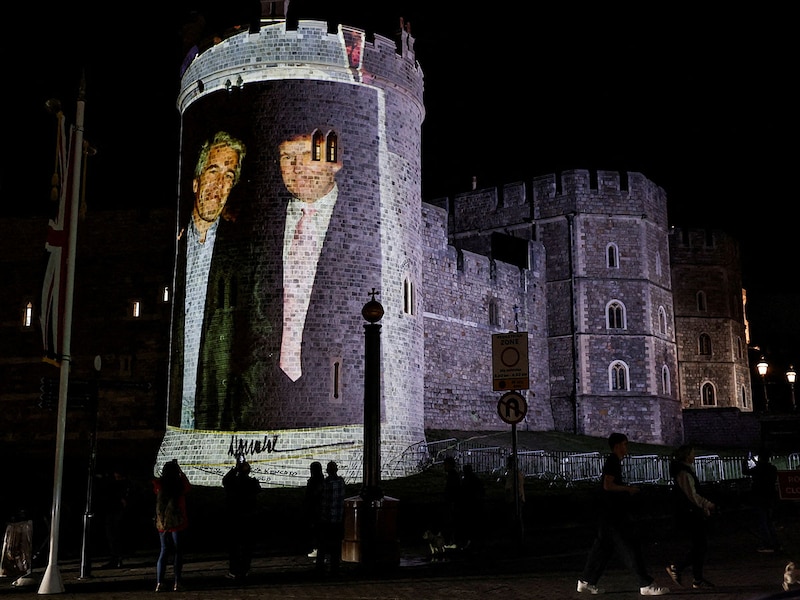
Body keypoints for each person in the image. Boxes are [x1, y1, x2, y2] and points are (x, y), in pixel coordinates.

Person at [168, 130, 252, 431]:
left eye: (229, 175)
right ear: (195, 181)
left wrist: (239, 413)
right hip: (173, 409)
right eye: (213, 171)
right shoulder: (173, 251)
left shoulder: (242, 256)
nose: (219, 184)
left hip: (217, 414)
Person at [277, 131, 342, 383]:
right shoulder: (258, 224)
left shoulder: (369, 223)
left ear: (335, 160)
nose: (297, 167)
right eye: (287, 157)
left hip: (330, 380)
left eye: (308, 154)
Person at [578, 432, 670, 596]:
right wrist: (628, 489)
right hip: (613, 514)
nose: (627, 448)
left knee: (602, 549)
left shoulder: (613, 461)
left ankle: (586, 581)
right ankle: (645, 583)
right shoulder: (613, 460)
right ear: (618, 446)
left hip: (607, 513)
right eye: (625, 444)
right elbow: (607, 485)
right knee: (629, 546)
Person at [665, 444, 716, 590]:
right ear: (687, 456)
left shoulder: (685, 471)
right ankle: (678, 568)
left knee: (699, 546)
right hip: (690, 514)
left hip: (690, 512)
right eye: (693, 453)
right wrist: (707, 504)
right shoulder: (684, 473)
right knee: (700, 546)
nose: (695, 455)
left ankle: (697, 579)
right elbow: (692, 495)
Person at [153, 460, 191, 592]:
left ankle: (159, 582)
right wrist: (180, 472)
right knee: (178, 552)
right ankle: (177, 582)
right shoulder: (180, 484)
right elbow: (188, 487)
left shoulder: (159, 484)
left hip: (162, 523)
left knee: (163, 551)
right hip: (178, 522)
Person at [222, 456, 262, 580]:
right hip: (249, 518)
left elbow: (225, 480)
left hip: (235, 518)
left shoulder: (233, 482)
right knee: (247, 546)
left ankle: (234, 570)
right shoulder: (252, 482)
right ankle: (244, 569)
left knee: (234, 547)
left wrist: (235, 469)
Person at [745, 448, 780, 553]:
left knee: (762, 522)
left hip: (759, 498)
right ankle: (775, 543)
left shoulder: (758, 469)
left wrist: (745, 461)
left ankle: (767, 544)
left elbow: (745, 471)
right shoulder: (772, 468)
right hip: (769, 498)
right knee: (769, 522)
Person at [97, 467, 131, 569]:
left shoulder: (120, 485)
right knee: (115, 537)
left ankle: (116, 558)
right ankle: (117, 558)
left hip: (116, 513)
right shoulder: (122, 485)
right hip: (116, 513)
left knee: (114, 537)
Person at [315, 461, 345, 575]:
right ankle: (335, 567)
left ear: (327, 471)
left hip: (326, 519)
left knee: (322, 545)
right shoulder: (341, 482)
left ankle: (320, 567)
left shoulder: (325, 483)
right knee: (336, 546)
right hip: (337, 519)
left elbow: (316, 494)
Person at [459, 463, 485, 550]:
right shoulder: (475, 479)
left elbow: (463, 492)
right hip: (474, 505)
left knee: (470, 526)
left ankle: (471, 542)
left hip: (469, 505)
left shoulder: (467, 480)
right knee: (473, 526)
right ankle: (474, 542)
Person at [304, 461, 324, 558]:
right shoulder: (323, 481)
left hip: (314, 510)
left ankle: (316, 549)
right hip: (322, 509)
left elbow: (309, 496)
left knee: (315, 531)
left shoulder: (312, 482)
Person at [503, 454, 526, 541]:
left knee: (514, 518)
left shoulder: (512, 474)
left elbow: (508, 488)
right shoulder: (518, 473)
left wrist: (507, 499)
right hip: (520, 498)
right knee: (518, 518)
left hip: (514, 499)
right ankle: (519, 536)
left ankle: (516, 537)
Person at [441, 456, 461, 548]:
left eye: (445, 465)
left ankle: (451, 542)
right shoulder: (453, 475)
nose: (444, 467)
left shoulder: (452, 476)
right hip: (452, 502)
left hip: (452, 502)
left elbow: (452, 490)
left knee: (451, 523)